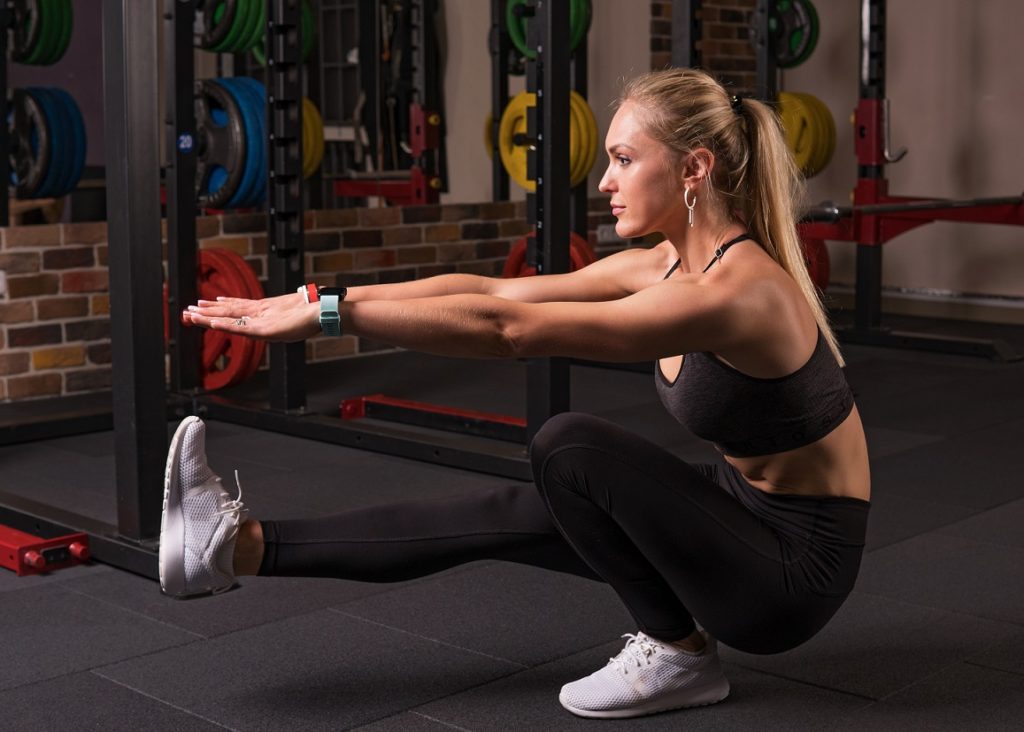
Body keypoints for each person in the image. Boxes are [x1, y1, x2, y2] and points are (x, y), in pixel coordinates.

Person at [161, 68, 870, 720]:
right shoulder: (665, 264)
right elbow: (494, 290)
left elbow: (511, 330)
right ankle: (228, 548)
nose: (604, 180)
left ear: (694, 168)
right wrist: (325, 298)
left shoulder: (738, 295)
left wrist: (328, 318)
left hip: (788, 576)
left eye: (624, 158)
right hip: (742, 518)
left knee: (570, 449)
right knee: (500, 511)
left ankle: (679, 654)